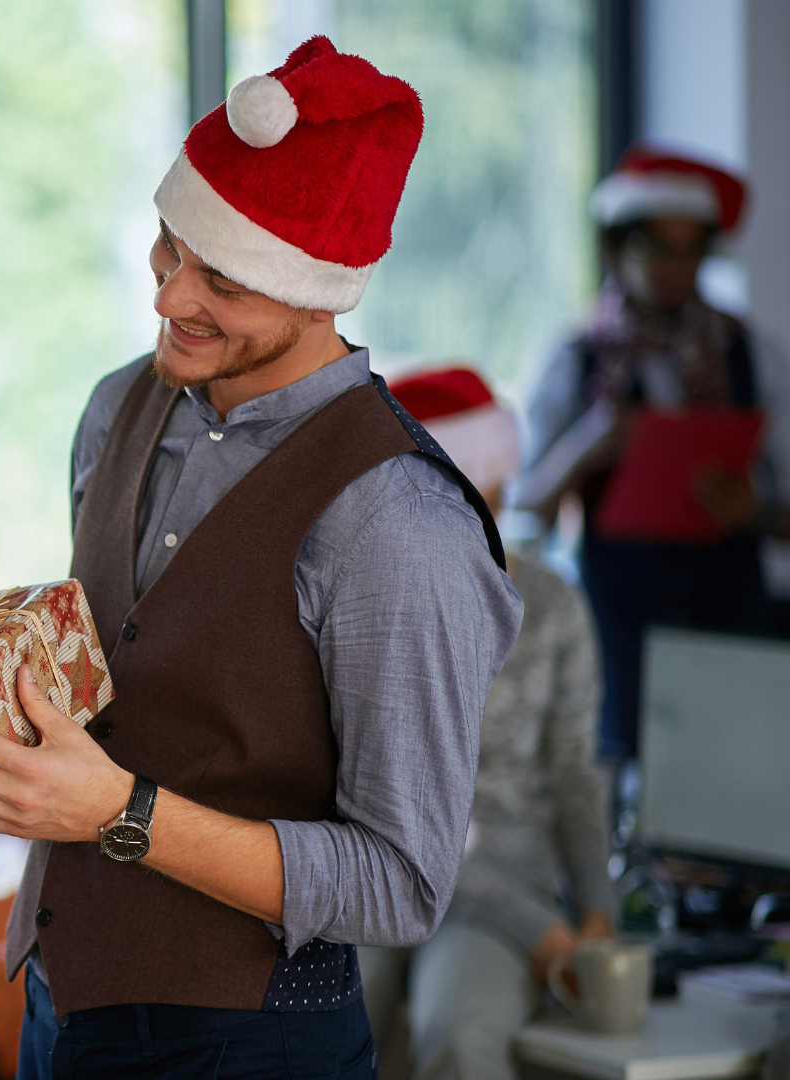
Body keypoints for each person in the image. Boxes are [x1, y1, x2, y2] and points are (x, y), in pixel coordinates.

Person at [0, 38, 523, 1074]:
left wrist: (119, 813)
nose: (169, 298)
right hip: (60, 1004)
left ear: (319, 289)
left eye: (222, 278)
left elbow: (402, 884)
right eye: (167, 248)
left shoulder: (397, 522)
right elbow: (140, 679)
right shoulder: (119, 408)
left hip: (250, 1041)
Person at [360, 369, 615, 1080]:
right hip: (378, 876)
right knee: (341, 1021)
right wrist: (543, 931)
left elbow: (574, 773)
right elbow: (391, 813)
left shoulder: (554, 606)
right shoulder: (367, 607)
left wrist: (597, 915)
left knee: (460, 1034)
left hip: (506, 890)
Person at [518, 145, 790, 759]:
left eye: (692, 249)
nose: (677, 266)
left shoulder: (752, 355)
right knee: (622, 788)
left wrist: (757, 513)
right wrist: (592, 444)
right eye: (657, 247)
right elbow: (521, 511)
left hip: (730, 620)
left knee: (728, 785)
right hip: (617, 628)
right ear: (617, 249)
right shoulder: (575, 362)